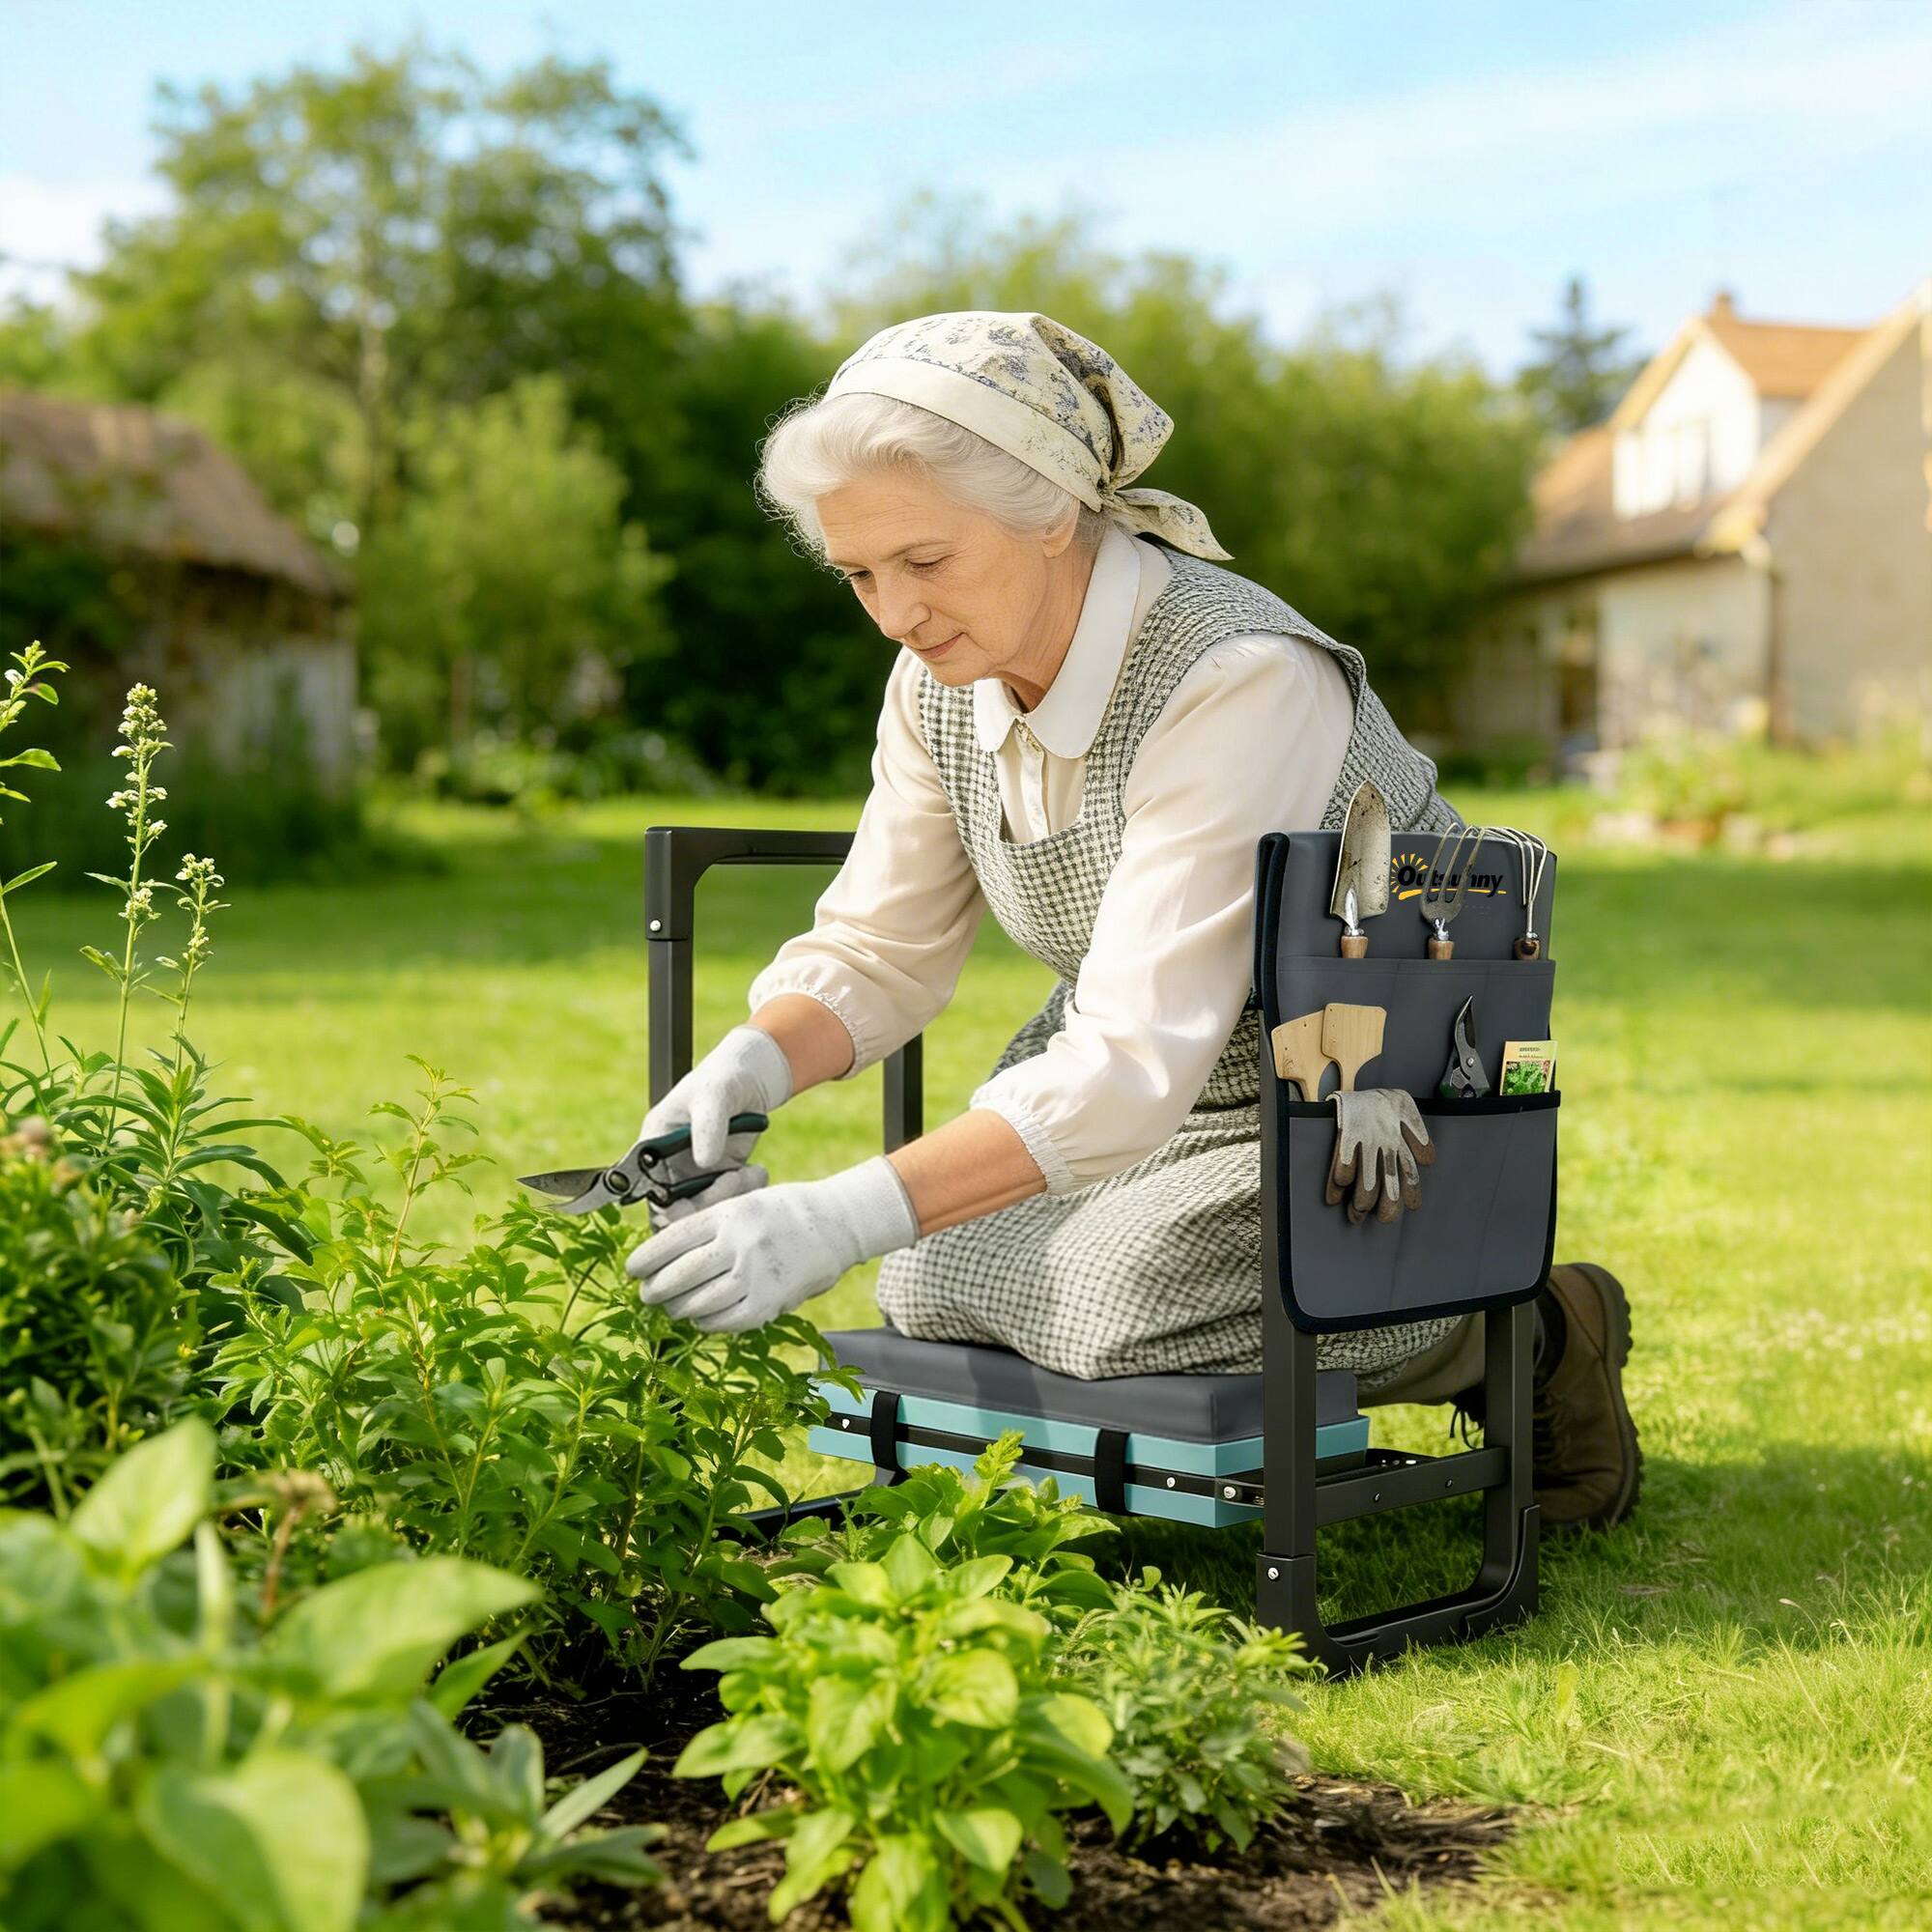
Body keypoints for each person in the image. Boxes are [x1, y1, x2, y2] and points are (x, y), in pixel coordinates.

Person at [629, 311, 1639, 1530]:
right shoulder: (936, 682)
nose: (893, 612)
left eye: (925, 560)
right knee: (931, 1283)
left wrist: (833, 1212)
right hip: (1151, 1086)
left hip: (1356, 1089)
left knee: (1111, 1308)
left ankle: (1526, 1327)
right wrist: (751, 1062)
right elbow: (877, 947)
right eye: (859, 575)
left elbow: (1128, 1054)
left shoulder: (1237, 672)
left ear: (1053, 512)